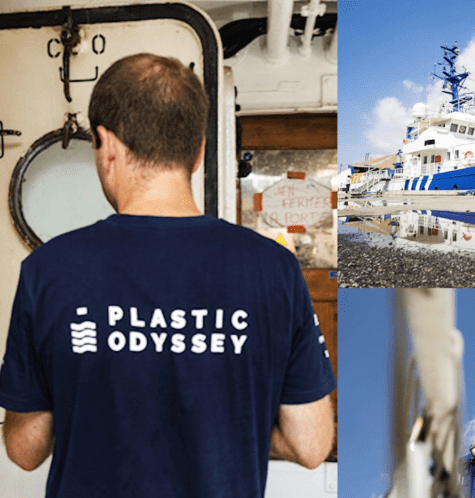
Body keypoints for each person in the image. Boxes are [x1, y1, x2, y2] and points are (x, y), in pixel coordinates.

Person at [0, 53, 336, 497]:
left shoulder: (47, 271)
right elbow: (311, 444)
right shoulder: (275, 269)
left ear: (106, 144)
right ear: (198, 153)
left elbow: (25, 449)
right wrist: (237, 432)